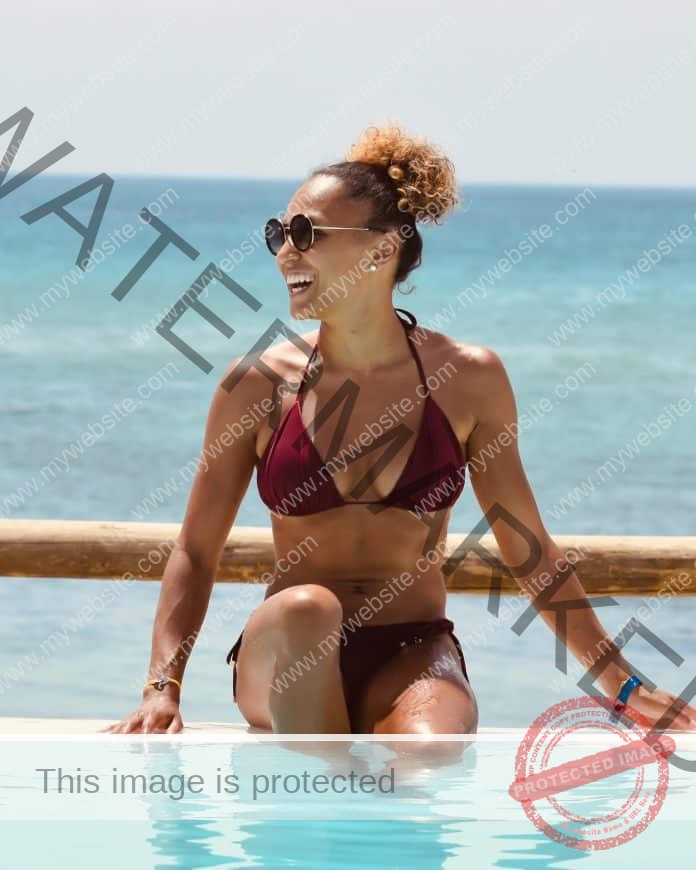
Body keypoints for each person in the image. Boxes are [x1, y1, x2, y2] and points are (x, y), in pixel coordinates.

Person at [106, 123, 696, 743]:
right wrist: (161, 686)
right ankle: (326, 791)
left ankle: (349, 790)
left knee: (432, 752)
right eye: (278, 234)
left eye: (306, 232)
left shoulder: (468, 378)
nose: (285, 252)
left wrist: (623, 683)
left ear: (382, 248)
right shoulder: (256, 384)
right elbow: (196, 551)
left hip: (414, 649)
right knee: (309, 607)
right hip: (284, 650)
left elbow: (528, 549)